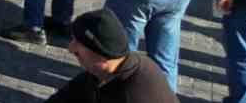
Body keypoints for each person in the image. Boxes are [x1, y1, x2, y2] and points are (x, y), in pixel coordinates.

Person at [45, 8, 180, 103]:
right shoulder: (111, 68)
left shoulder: (130, 95)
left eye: (78, 43)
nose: (70, 48)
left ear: (102, 56)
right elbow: (71, 93)